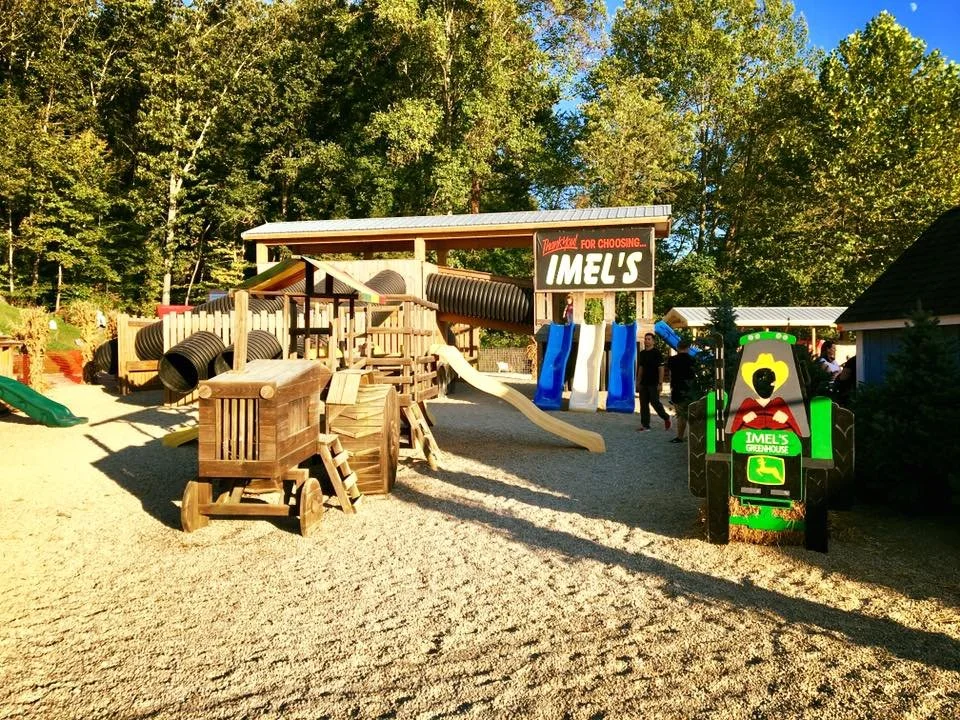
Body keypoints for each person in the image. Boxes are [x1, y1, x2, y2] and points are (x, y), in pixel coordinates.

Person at [637, 332, 671, 432]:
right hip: (644, 383)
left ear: (653, 341)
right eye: (645, 339)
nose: (646, 341)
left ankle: (666, 417)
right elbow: (641, 368)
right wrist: (638, 382)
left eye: (649, 339)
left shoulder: (657, 353)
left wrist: (660, 383)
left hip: (654, 383)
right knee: (643, 405)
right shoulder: (642, 353)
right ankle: (645, 425)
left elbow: (661, 368)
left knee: (655, 403)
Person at [666, 340, 696, 443]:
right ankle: (693, 436)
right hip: (690, 389)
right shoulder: (692, 360)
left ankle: (680, 436)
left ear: (677, 348)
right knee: (691, 413)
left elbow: (670, 375)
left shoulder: (672, 360)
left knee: (680, 414)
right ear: (688, 348)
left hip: (677, 388)